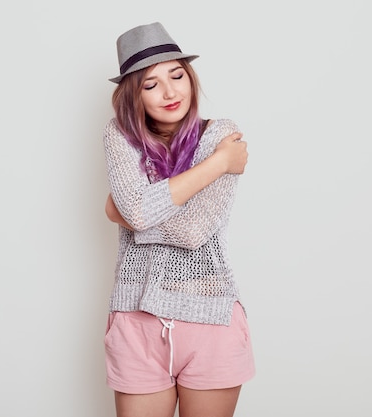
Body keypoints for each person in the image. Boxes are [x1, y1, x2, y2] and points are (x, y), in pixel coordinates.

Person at [102, 22, 255, 417]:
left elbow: (192, 231)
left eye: (177, 75)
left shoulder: (220, 135)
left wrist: (126, 213)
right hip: (136, 321)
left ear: (190, 78)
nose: (170, 92)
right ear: (132, 96)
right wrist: (221, 165)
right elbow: (138, 211)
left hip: (210, 318)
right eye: (150, 84)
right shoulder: (120, 137)